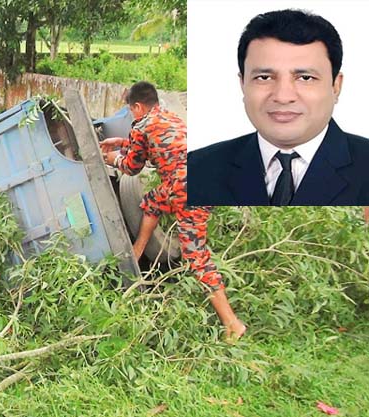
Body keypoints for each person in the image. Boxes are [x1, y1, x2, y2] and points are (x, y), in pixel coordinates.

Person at [101, 81, 246, 340]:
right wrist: (121, 142)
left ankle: (232, 323)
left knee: (196, 257)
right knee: (154, 201)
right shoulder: (170, 117)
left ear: (137, 106)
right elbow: (155, 147)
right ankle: (139, 248)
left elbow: (133, 167)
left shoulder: (141, 125)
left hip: (186, 187)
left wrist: (114, 159)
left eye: (131, 110)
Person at [188, 9, 369, 206]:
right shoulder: (197, 168)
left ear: (336, 86)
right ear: (243, 84)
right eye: (264, 78)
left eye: (305, 78)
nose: (283, 96)